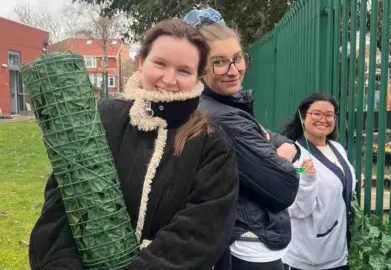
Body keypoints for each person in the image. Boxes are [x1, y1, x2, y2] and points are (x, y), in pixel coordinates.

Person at [28, 19, 239, 270]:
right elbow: (61, 206)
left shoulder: (212, 144)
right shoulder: (102, 119)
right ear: (141, 63)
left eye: (184, 71)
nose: (169, 79)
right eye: (160, 64)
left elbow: (198, 235)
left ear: (197, 77)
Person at [184, 8, 300, 270]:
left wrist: (277, 144)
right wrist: (280, 152)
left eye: (238, 58)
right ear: (200, 67)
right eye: (220, 62)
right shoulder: (223, 117)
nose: (234, 70)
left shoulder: (218, 105)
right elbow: (283, 187)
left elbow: (274, 136)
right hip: (250, 242)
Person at [280, 93, 357, 270]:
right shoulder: (294, 154)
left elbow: (339, 181)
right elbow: (298, 209)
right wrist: (307, 179)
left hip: (338, 251)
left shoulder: (337, 148)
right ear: (303, 116)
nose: (323, 119)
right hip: (308, 256)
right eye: (316, 114)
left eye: (329, 115)